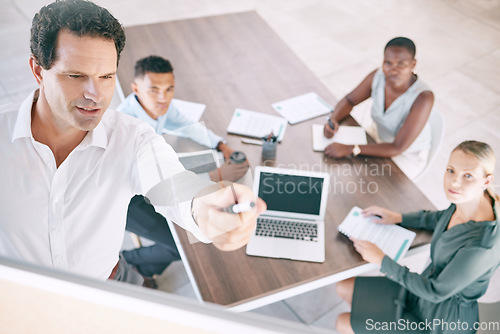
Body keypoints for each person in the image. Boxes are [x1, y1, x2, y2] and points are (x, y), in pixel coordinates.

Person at [0, 0, 265, 285]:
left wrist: (207, 210)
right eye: (76, 76)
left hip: (113, 283)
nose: (96, 95)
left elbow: (177, 190)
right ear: (38, 70)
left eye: (106, 77)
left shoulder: (133, 138)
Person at [335, 140, 500, 334]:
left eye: (468, 176)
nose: (454, 182)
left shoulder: (482, 247)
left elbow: (435, 291)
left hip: (441, 321)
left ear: (486, 181)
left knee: (343, 323)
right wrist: (399, 217)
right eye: (451, 170)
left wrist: (382, 260)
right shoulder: (469, 199)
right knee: (343, 287)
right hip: (419, 291)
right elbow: (440, 218)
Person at [118, 55, 249, 279]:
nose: (163, 98)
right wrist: (215, 175)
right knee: (182, 247)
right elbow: (154, 186)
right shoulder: (125, 127)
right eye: (154, 90)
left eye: (169, 89)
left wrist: (222, 145)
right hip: (127, 199)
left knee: (184, 235)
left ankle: (146, 270)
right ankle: (129, 261)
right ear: (136, 88)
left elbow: (188, 126)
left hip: (152, 182)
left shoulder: (158, 106)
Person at [324, 37, 434, 180]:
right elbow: (349, 100)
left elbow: (398, 147)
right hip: (378, 138)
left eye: (401, 64)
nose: (393, 70)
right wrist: (333, 120)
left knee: (373, 183)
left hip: (406, 155)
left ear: (413, 64)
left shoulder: (423, 98)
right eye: (388, 63)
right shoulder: (377, 76)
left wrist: (351, 148)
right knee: (344, 171)